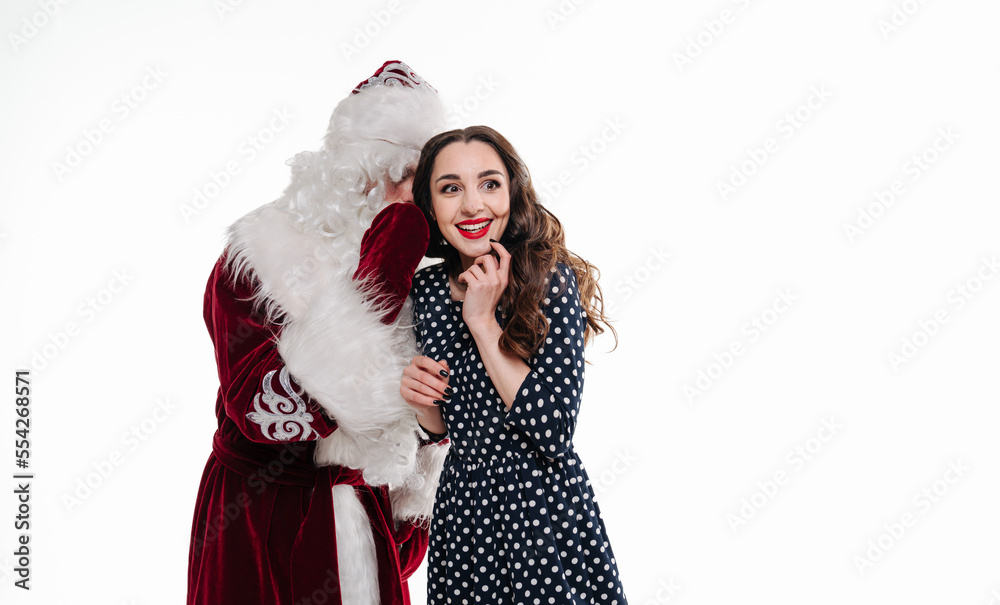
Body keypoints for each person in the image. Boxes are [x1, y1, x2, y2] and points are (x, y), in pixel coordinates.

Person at [187, 61, 450, 605]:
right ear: (348, 175)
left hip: (363, 518)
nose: (405, 199)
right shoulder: (259, 256)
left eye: (419, 183)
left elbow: (423, 432)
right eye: (392, 174)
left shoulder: (431, 281)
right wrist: (372, 291)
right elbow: (257, 410)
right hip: (262, 518)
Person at [401, 126, 629, 604]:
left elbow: (551, 431)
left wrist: (483, 323)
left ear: (512, 192)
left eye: (489, 184)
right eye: (450, 188)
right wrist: (421, 400)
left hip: (542, 510)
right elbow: (442, 429)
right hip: (464, 513)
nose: (472, 206)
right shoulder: (426, 292)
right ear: (429, 204)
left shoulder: (548, 281)